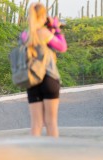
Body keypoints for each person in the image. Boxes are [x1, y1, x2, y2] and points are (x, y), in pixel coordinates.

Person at [19, 3, 67, 137]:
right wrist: (56, 28)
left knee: (36, 124)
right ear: (43, 16)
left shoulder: (24, 35)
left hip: (32, 80)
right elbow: (62, 47)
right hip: (49, 79)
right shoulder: (45, 33)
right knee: (51, 122)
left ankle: (34, 155)